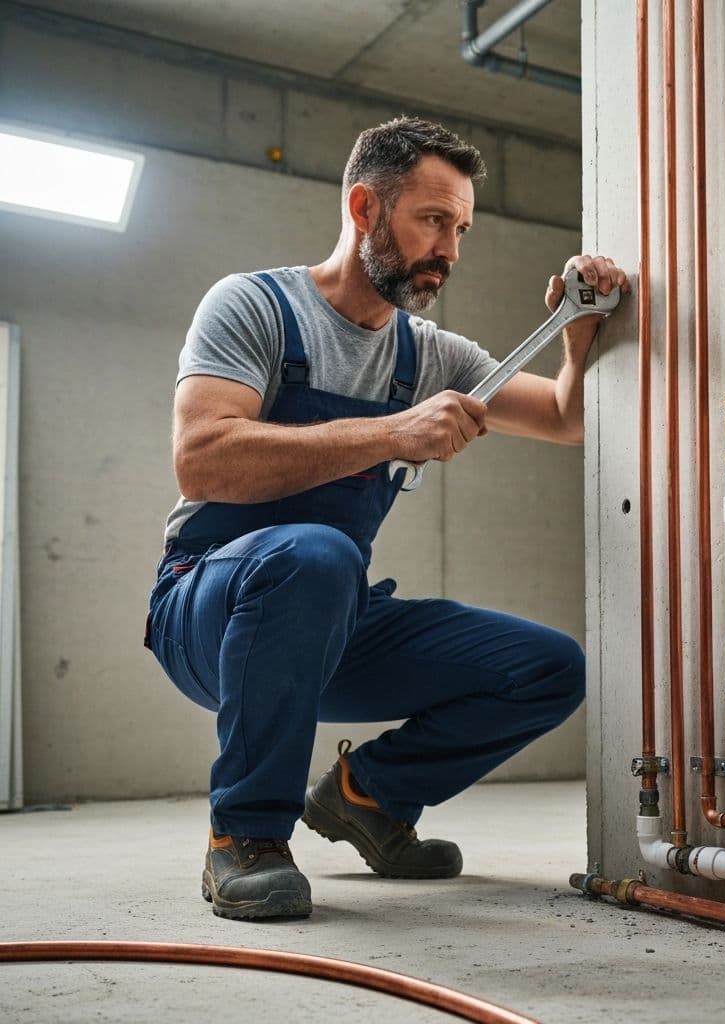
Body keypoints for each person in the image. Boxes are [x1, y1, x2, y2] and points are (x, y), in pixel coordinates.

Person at [146, 116, 629, 920]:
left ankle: (367, 797)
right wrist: (391, 432)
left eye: (462, 228)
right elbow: (203, 456)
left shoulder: (429, 354)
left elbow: (565, 419)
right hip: (206, 607)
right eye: (433, 221)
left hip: (331, 617)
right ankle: (245, 836)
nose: (450, 249)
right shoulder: (256, 306)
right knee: (316, 554)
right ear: (366, 208)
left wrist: (578, 339)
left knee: (548, 666)